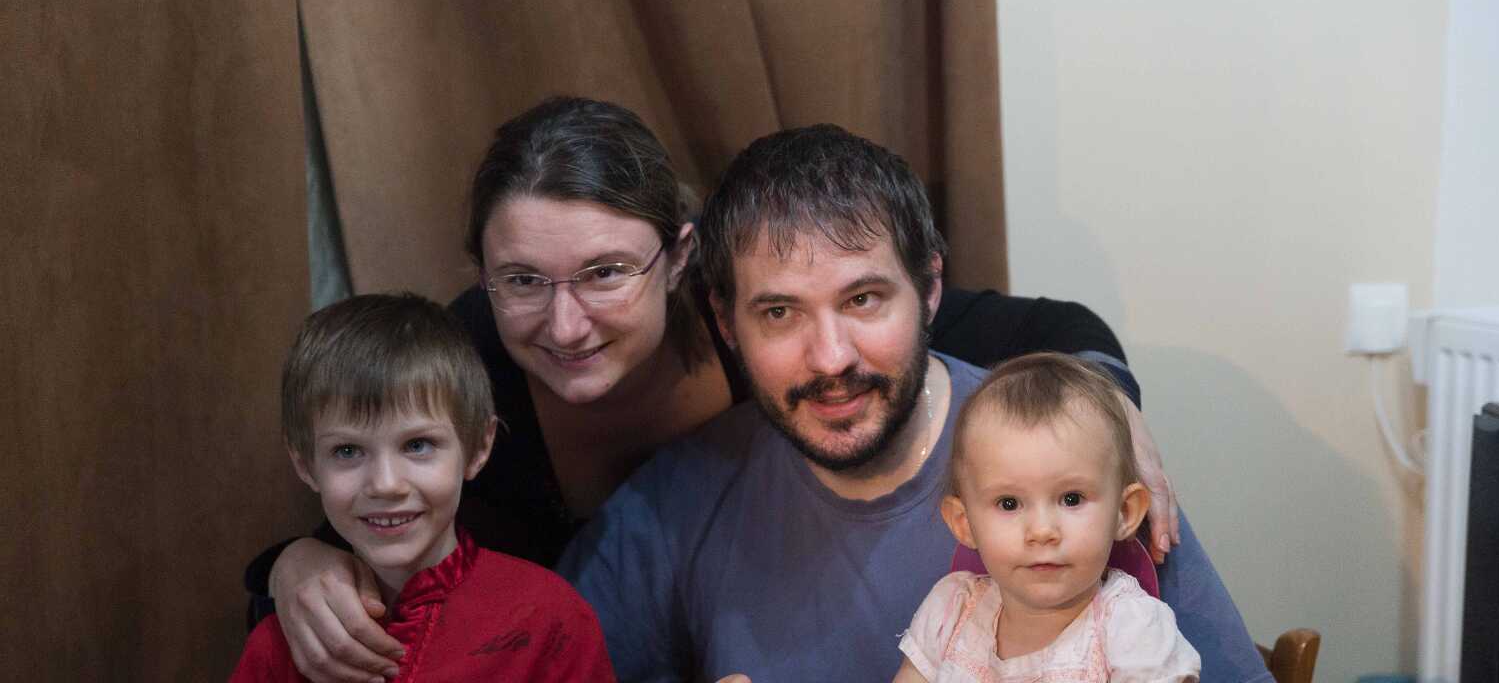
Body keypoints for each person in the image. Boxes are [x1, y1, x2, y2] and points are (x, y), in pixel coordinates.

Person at [244, 97, 1184, 683]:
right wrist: (296, 563)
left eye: (606, 273)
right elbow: (383, 513)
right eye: (523, 280)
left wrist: (1099, 399)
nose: (564, 324)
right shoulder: (469, 367)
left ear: (681, 262)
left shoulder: (773, 325)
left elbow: (1015, 326)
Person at [557, 124, 1271, 682]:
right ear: (724, 321)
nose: (830, 357)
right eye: (779, 313)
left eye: (863, 299)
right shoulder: (676, 505)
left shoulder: (1065, 454)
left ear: (930, 289)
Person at [232, 293, 613, 682]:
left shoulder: (550, 620)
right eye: (347, 451)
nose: (386, 484)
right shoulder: (281, 647)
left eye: (417, 445)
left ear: (478, 447)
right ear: (305, 465)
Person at [893, 352, 1200, 682]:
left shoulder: (1133, 632)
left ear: (1124, 512)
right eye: (1009, 503)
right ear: (964, 522)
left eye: (1071, 499)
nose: (1041, 531)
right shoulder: (950, 611)